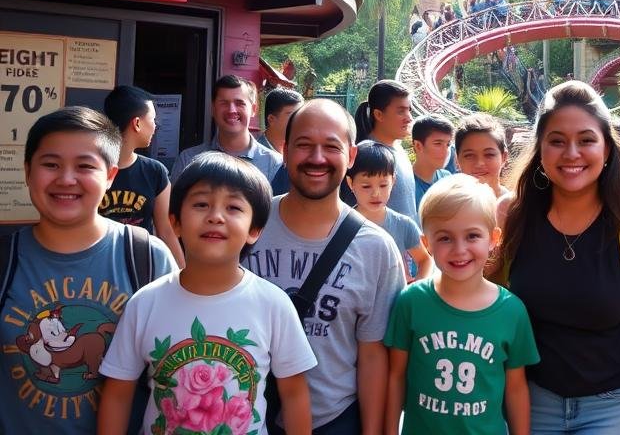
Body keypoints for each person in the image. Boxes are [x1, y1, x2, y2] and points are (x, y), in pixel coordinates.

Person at [493, 81, 620, 434]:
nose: (571, 153)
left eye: (586, 140)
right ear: (540, 150)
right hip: (531, 401)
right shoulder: (512, 215)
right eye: (557, 141)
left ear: (606, 149)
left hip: (614, 406)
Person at [97, 153, 316, 435]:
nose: (215, 217)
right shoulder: (145, 302)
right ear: (174, 222)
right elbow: (117, 394)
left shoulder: (273, 304)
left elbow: (295, 394)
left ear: (255, 229)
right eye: (201, 204)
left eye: (234, 207)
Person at [0, 107, 176, 435]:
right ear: (27, 172)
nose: (66, 179)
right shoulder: (6, 260)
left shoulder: (148, 258)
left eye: (84, 166)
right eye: (50, 164)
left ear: (110, 176)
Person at [244, 99, 405, 434]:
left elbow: (373, 355)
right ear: (285, 151)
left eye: (331, 147)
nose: (317, 158)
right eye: (304, 145)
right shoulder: (246, 228)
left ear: (351, 156)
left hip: (335, 419)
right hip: (245, 416)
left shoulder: (376, 248)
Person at [385, 175, 539, 434]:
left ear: (493, 239)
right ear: (426, 243)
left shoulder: (512, 311)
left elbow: (515, 388)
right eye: (445, 238)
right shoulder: (411, 301)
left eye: (472, 236)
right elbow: (396, 376)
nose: (459, 249)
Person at [101, 85, 184, 266]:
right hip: (99, 263)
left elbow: (166, 232)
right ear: (137, 123)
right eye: (153, 119)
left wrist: (183, 276)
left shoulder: (155, 172)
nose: (156, 126)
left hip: (140, 266)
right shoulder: (92, 169)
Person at [171, 75, 284, 193]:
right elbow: (176, 208)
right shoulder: (189, 160)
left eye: (239, 103)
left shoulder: (274, 164)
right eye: (224, 103)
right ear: (213, 109)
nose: (231, 110)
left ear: (253, 110)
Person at [347, 141, 432, 282]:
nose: (376, 193)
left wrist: (416, 290)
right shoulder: (342, 224)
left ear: (393, 181)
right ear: (350, 183)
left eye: (383, 185)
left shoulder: (403, 224)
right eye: (366, 186)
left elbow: (424, 260)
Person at [352, 80, 418, 225]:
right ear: (379, 115)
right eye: (401, 111)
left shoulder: (398, 148)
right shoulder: (368, 155)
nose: (409, 118)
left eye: (409, 110)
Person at [455, 113, 513, 211]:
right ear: (457, 160)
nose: (479, 163)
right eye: (469, 155)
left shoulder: (516, 209)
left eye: (489, 154)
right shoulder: (448, 207)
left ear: (504, 157)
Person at [411, 114, 455, 208]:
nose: (446, 151)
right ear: (418, 146)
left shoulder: (447, 178)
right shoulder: (408, 186)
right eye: (438, 144)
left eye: (447, 144)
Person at [258, 87, 304, 153]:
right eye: (293, 116)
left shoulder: (300, 151)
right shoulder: (255, 157)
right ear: (271, 119)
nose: (300, 122)